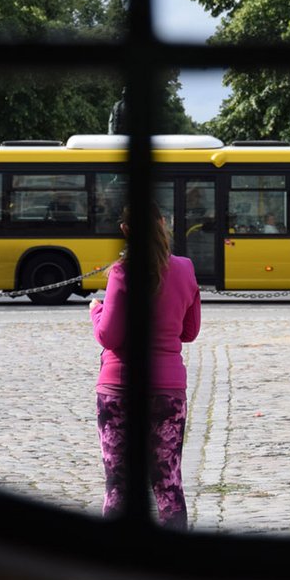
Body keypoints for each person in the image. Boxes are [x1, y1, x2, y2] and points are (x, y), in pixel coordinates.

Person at [88, 203, 201, 528]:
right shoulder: (185, 269)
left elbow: (109, 335)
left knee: (119, 484)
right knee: (167, 482)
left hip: (120, 387)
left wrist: (97, 310)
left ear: (126, 230)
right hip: (167, 390)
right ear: (164, 224)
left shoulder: (123, 272)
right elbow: (189, 332)